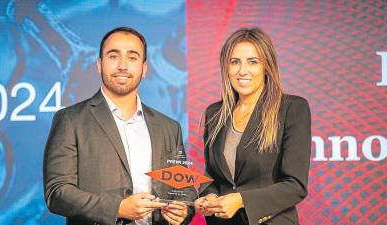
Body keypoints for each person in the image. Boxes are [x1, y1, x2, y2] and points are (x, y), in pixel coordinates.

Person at [43, 27, 195, 225]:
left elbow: (184, 188)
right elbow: (58, 192)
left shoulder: (168, 127)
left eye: (132, 58)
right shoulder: (70, 120)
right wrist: (117, 209)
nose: (123, 65)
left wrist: (184, 209)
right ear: (99, 64)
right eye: (113, 56)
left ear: (144, 67)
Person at [194, 27, 311, 225]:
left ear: (267, 66)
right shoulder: (215, 113)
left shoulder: (292, 109)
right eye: (235, 62)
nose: (242, 71)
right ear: (226, 67)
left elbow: (295, 185)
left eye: (253, 62)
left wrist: (240, 200)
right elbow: (213, 176)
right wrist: (209, 197)